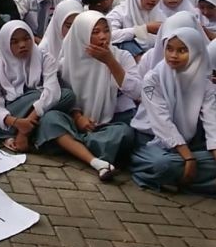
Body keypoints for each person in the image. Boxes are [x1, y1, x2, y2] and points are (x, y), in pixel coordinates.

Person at [35, 11, 140, 181]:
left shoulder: (121, 57)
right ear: (81, 34)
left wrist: (110, 62)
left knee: (124, 133)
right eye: (95, 32)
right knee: (50, 119)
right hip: (73, 121)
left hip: (105, 124)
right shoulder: (66, 62)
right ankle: (94, 159)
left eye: (106, 30)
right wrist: (77, 117)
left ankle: (70, 145)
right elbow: (62, 96)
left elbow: (137, 92)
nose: (103, 37)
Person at [129, 27, 216, 194]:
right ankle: (154, 171)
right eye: (169, 49)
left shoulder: (204, 83)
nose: (173, 55)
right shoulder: (153, 79)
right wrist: (188, 157)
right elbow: (161, 122)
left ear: (196, 52)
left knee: (205, 163)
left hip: (185, 144)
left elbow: (212, 123)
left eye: (182, 50)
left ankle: (180, 177)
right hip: (150, 141)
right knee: (164, 165)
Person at [0, 20, 73, 152]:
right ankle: (9, 130)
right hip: (12, 110)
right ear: (5, 44)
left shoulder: (45, 58)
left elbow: (52, 92)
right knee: (40, 94)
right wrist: (17, 122)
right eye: (14, 42)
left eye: (26, 39)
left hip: (36, 111)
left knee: (65, 95)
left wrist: (24, 130)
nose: (22, 45)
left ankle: (2, 132)